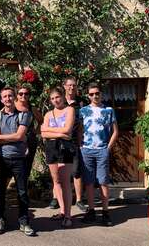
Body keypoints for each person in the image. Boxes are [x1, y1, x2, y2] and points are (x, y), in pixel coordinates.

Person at [0, 87, 35, 237]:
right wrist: (15, 136)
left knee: (22, 192)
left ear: (14, 98)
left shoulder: (24, 114)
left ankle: (24, 222)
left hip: (19, 159)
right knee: (0, 192)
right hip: (2, 158)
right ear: (1, 99)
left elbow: (20, 135)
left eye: (10, 96)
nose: (8, 99)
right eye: (5, 96)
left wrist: (5, 137)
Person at [79, 82, 119, 226]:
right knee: (89, 182)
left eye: (97, 93)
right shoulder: (83, 111)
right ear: (88, 96)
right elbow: (79, 130)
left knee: (103, 182)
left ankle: (105, 212)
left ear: (101, 94)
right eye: (91, 94)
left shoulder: (108, 110)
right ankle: (91, 211)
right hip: (86, 151)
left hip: (102, 150)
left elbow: (115, 131)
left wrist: (107, 148)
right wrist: (80, 146)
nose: (95, 96)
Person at [41, 87, 75, 228]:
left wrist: (51, 130)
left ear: (62, 96)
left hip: (64, 149)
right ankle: (61, 211)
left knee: (65, 181)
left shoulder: (69, 110)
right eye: (53, 98)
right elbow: (43, 133)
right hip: (51, 148)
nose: (55, 100)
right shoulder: (48, 114)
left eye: (58, 97)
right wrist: (60, 134)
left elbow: (68, 129)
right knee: (56, 181)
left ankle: (68, 215)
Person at [64, 77, 88, 212]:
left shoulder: (82, 102)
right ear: (64, 86)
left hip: (75, 141)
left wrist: (81, 141)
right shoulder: (60, 101)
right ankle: (57, 198)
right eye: (69, 85)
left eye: (74, 85)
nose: (72, 88)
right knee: (59, 172)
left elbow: (83, 123)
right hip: (60, 141)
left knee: (76, 171)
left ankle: (79, 200)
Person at [14, 85, 43, 181]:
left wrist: (36, 131)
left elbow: (41, 120)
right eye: (20, 93)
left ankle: (23, 191)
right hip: (15, 141)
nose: (23, 96)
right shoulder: (11, 106)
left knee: (26, 168)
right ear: (17, 95)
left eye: (26, 94)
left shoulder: (32, 109)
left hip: (29, 141)